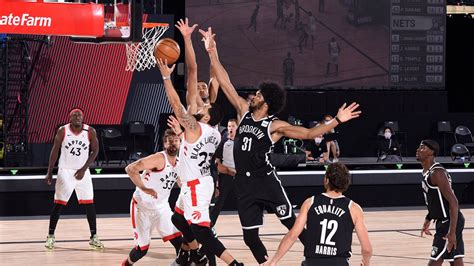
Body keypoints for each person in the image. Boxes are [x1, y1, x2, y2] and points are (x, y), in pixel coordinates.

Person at [201, 27, 361, 264]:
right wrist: (213, 53)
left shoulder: (274, 125)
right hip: (243, 184)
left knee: (292, 223)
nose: (253, 96)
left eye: (257, 94)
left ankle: (320, 260)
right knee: (249, 237)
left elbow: (309, 133)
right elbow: (225, 82)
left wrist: (337, 120)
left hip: (265, 181)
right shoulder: (243, 112)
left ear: (266, 101)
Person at [156, 58, 243, 266]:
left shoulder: (195, 127)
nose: (202, 108)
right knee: (177, 219)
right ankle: (193, 254)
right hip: (196, 181)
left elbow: (176, 104)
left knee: (202, 231)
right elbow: (192, 145)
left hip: (196, 185)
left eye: (204, 110)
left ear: (205, 118)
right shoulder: (213, 133)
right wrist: (181, 132)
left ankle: (234, 264)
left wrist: (166, 76)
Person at [266, 162, 372, 266]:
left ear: (326, 180)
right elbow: (367, 249)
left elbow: (292, 235)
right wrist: (366, 263)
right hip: (339, 262)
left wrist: (273, 261)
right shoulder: (354, 208)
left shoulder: (310, 202)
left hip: (312, 262)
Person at [122, 129, 185, 266]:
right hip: (142, 207)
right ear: (164, 144)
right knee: (141, 250)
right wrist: (144, 188)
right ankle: (126, 264)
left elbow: (182, 184)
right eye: (170, 141)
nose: (173, 144)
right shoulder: (158, 159)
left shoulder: (180, 163)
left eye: (176, 141)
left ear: (180, 143)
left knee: (179, 243)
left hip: (161, 208)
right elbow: (130, 169)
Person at [44, 108, 104, 250]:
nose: (78, 117)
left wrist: (83, 169)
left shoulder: (90, 131)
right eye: (74, 115)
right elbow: (55, 150)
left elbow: (95, 150)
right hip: (65, 171)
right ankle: (50, 236)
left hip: (82, 171)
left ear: (83, 118)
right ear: (69, 118)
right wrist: (49, 171)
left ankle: (94, 237)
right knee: (58, 204)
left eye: (80, 115)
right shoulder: (62, 130)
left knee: (89, 204)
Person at [416, 140, 465, 265]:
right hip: (446, 220)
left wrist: (452, 232)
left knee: (435, 261)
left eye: (422, 148)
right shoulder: (426, 172)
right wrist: (428, 219)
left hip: (448, 221)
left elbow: (454, 202)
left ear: (431, 152)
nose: (418, 150)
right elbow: (435, 200)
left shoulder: (437, 173)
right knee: (456, 259)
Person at [210, 118, 238, 227]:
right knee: (219, 201)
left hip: (239, 175)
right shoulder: (223, 141)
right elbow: (217, 160)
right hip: (226, 175)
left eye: (233, 126)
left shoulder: (241, 142)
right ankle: (210, 225)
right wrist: (217, 181)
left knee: (245, 200)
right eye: (229, 126)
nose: (230, 128)